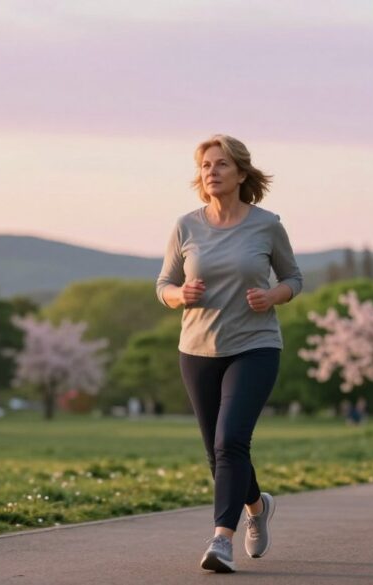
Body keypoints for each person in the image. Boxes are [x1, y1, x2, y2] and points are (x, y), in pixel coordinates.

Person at [156, 135, 303, 573]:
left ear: (241, 172)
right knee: (216, 452)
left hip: (255, 346)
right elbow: (162, 284)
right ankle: (257, 507)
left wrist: (273, 295)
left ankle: (222, 539)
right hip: (198, 349)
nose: (212, 172)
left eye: (221, 164)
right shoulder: (186, 226)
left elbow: (294, 277)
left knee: (230, 442)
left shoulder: (266, 224)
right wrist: (180, 295)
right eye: (205, 166)